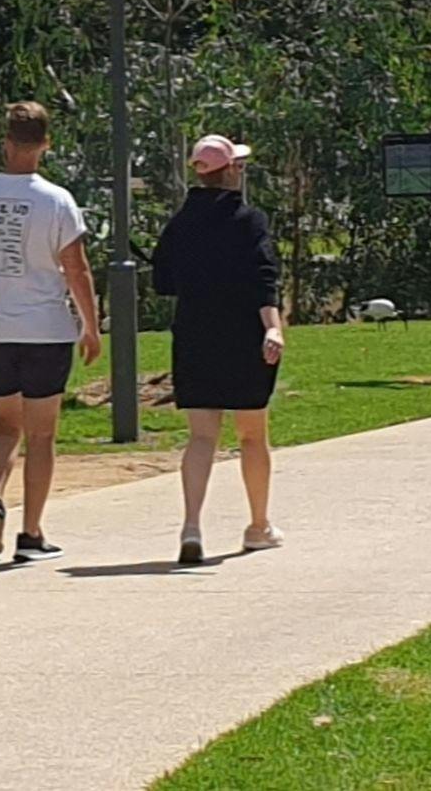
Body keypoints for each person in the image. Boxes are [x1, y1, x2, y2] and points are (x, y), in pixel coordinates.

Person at [0, 101, 101, 562]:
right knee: (42, 435)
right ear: (45, 144)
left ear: (6, 142)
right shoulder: (57, 200)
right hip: (46, 332)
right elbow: (77, 269)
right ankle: (31, 533)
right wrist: (90, 326)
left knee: (3, 425)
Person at [153, 132, 285, 564]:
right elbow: (264, 279)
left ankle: (191, 526)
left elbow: (163, 280)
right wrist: (273, 328)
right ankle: (258, 525)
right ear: (228, 171)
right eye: (238, 166)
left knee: (201, 436)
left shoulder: (180, 223)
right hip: (244, 335)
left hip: (195, 335)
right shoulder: (249, 221)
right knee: (252, 435)